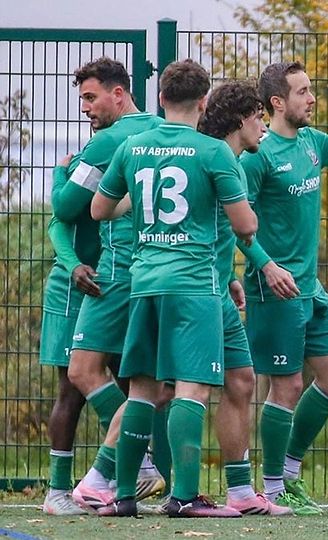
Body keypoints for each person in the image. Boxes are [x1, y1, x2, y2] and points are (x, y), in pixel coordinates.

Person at [91, 59, 258, 518]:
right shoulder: (212, 152)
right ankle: (183, 497)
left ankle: (123, 496)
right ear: (204, 103)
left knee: (142, 390)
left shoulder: (132, 146)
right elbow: (245, 226)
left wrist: (143, 208)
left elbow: (99, 210)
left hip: (143, 283)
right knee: (192, 390)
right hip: (193, 286)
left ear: (161, 98)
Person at [238, 61, 328, 513]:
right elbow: (238, 225)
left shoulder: (313, 142)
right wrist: (266, 266)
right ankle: (274, 487)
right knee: (287, 386)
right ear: (277, 102)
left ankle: (291, 474)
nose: (311, 98)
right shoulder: (256, 156)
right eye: (302, 91)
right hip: (273, 288)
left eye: (310, 89)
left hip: (310, 288)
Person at [41, 57, 165, 515]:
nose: (85, 109)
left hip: (108, 279)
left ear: (118, 93)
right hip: (87, 279)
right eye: (81, 100)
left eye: (91, 97)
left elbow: (63, 204)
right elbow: (61, 224)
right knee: (87, 384)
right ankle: (67, 487)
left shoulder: (105, 144)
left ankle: (123, 470)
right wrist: (72, 262)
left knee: (91, 379)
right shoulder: (160, 130)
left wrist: (59, 173)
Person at [196, 80, 292, 516]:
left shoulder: (228, 158)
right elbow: (244, 226)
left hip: (218, 288)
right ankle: (105, 480)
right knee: (167, 392)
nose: (264, 129)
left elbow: (215, 231)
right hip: (193, 293)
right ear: (240, 120)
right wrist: (264, 265)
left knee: (242, 380)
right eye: (258, 118)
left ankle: (240, 492)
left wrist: (231, 274)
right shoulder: (220, 158)